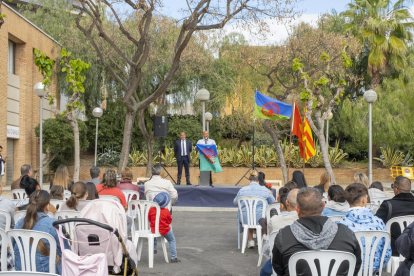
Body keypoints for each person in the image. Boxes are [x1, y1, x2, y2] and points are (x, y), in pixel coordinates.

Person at [272, 187, 362, 276]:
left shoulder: (284, 236)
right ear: (323, 205)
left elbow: (279, 269)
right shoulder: (347, 234)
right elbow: (355, 267)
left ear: (297, 209)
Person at [337, 183, 391, 272]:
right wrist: (376, 269)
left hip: (349, 271)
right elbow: (387, 253)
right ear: (364, 199)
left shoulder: (340, 224)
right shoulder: (378, 222)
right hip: (373, 271)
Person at [13, 190, 70, 274]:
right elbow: (66, 251)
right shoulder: (54, 224)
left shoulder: (19, 223)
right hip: (48, 273)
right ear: (47, 207)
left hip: (21, 272)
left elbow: (13, 246)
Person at [260, 189, 299, 276]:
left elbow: (271, 238)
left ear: (286, 203)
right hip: (305, 260)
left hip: (281, 259)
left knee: (264, 270)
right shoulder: (308, 221)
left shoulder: (275, 221)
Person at [233, 170, 275, 248]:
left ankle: (251, 241)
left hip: (246, 219)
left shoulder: (242, 190)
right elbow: (272, 201)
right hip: (260, 218)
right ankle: (261, 241)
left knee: (249, 216)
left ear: (249, 181)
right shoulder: (265, 190)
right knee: (263, 217)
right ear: (258, 181)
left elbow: (235, 202)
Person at [376, 177, 414, 256]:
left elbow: (376, 224)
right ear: (410, 188)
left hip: (394, 250)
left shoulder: (388, 205)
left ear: (396, 189)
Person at [148, 192, 180, 263]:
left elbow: (149, 220)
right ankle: (173, 257)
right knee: (172, 240)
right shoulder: (166, 211)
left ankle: (154, 248)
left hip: (154, 229)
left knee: (153, 235)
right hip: (164, 230)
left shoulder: (151, 209)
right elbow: (169, 221)